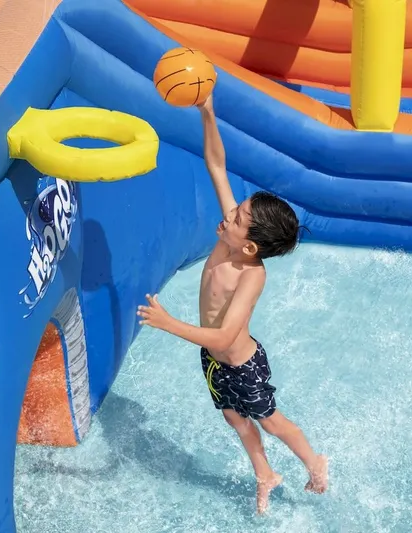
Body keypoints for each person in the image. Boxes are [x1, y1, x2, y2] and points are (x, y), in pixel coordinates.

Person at [136, 95, 328, 515]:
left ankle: (315, 462)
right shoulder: (231, 237)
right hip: (214, 359)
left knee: (270, 421)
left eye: (237, 219)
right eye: (237, 210)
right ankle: (265, 474)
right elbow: (216, 165)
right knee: (233, 417)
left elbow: (225, 336)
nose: (229, 217)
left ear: (251, 246)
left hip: (242, 363)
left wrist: (168, 323)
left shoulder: (251, 274)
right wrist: (208, 113)